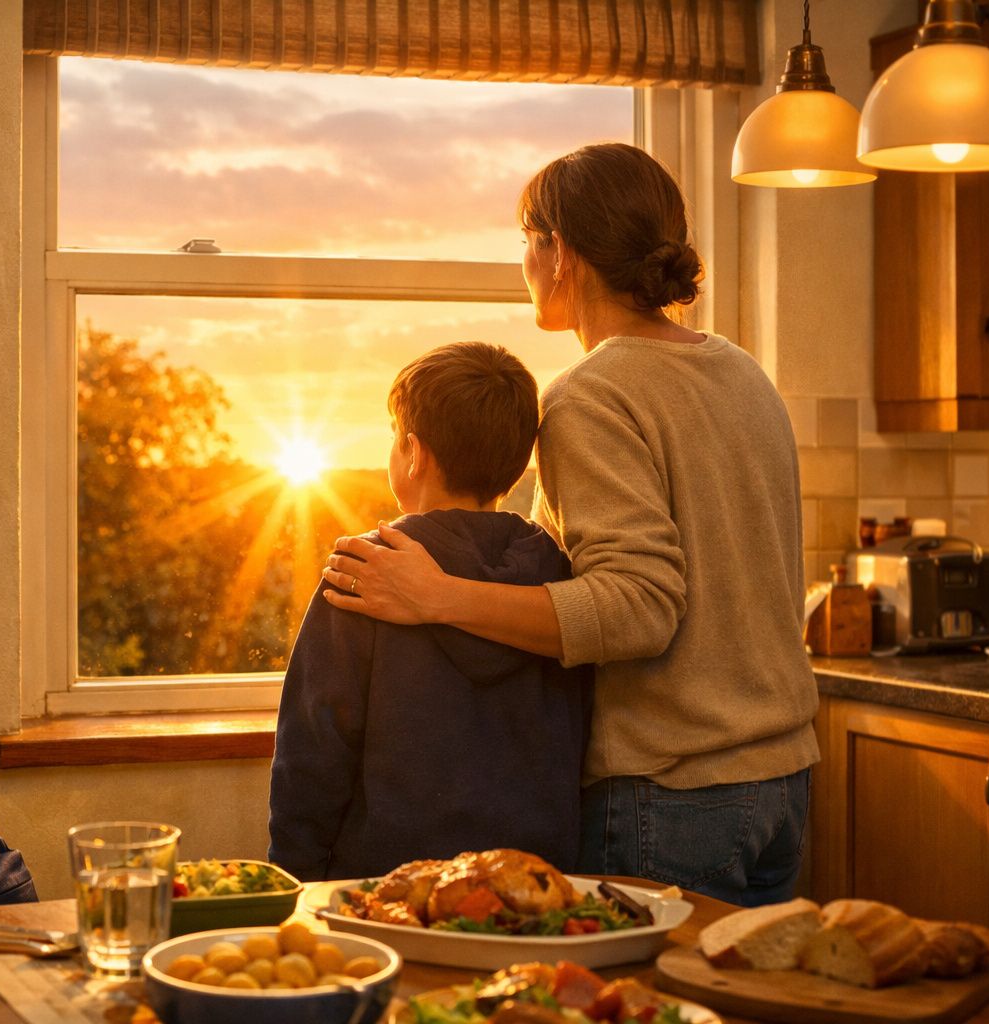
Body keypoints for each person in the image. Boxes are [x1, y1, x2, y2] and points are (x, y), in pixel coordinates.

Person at [319, 143, 818, 906]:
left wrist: (436, 595)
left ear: (562, 253)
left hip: (673, 798)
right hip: (783, 787)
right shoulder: (741, 371)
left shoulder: (591, 394)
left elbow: (638, 607)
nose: (523, 259)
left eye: (527, 237)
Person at [267, 341, 593, 882]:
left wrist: (294, 884)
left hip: (388, 888)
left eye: (395, 439)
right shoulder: (556, 576)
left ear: (414, 453)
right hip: (534, 884)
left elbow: (312, 752)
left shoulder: (367, 569)